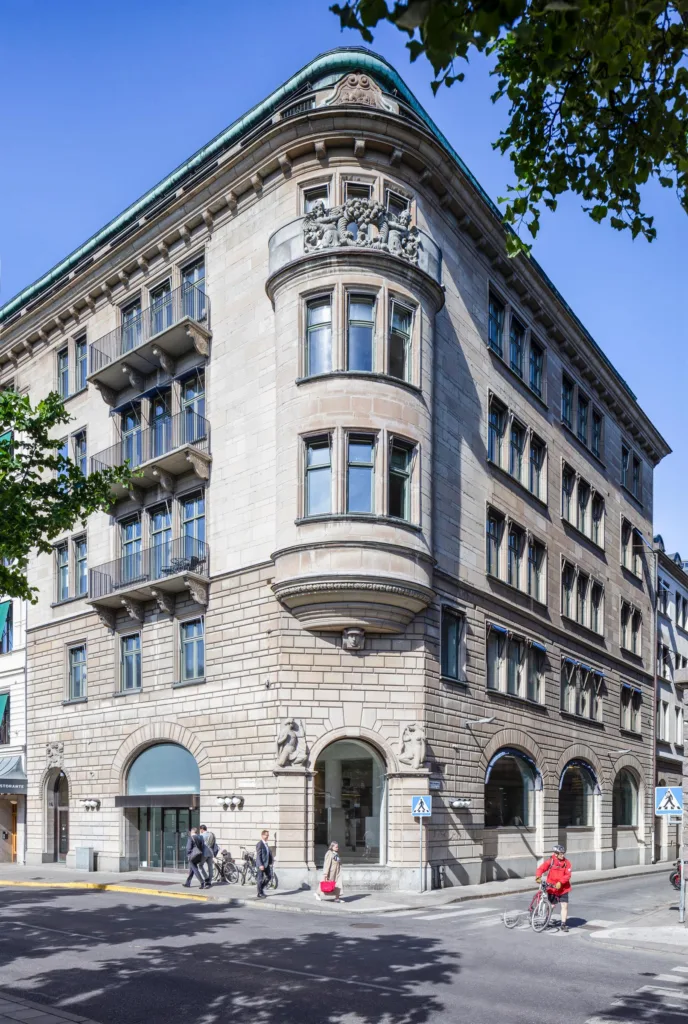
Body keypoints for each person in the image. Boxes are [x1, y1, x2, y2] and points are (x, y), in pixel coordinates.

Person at [535, 844, 572, 932]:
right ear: (556, 854)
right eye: (561, 853)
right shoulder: (551, 861)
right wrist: (538, 876)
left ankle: (563, 924)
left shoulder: (567, 863)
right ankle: (546, 920)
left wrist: (560, 882)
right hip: (552, 888)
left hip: (563, 888)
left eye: (563, 853)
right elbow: (541, 868)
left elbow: (568, 875)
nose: (562, 855)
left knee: (564, 906)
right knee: (551, 906)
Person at [255, 829, 273, 899]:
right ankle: (260, 893)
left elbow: (268, 854)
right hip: (261, 865)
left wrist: (270, 862)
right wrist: (260, 865)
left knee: (269, 877)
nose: (267, 836)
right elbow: (259, 855)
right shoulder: (260, 844)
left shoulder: (266, 844)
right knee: (260, 879)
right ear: (262, 835)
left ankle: (260, 889)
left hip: (266, 864)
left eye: (268, 835)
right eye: (266, 835)